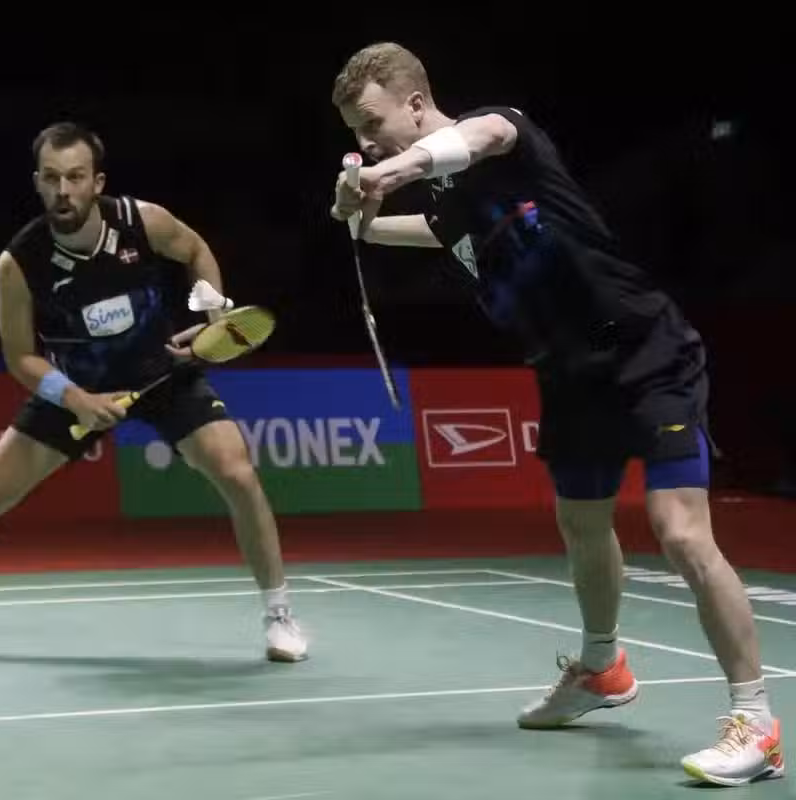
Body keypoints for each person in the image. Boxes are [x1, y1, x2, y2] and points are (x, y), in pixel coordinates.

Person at [327, 42, 782, 787]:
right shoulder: (444, 198)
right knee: (580, 523)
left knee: (679, 531)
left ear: (415, 102)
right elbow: (443, 232)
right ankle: (602, 668)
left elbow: (475, 140)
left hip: (643, 349)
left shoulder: (498, 130)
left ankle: (756, 721)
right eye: (355, 131)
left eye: (372, 123)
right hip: (568, 372)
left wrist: (388, 173)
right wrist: (362, 222)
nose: (366, 140)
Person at [0, 121, 308, 663]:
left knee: (236, 472)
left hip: (162, 373)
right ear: (37, 182)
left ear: (97, 182)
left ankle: (279, 617)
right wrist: (77, 399)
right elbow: (20, 357)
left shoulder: (141, 222)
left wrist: (214, 316)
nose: (64, 190)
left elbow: (195, 249)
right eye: (52, 178)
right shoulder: (20, 262)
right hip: (77, 384)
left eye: (76, 177)